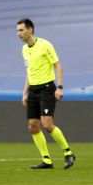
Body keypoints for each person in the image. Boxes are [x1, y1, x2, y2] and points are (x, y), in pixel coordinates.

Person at [16, 18, 75, 169]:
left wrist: (60, 87)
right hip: (33, 91)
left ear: (30, 30)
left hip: (47, 89)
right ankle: (46, 160)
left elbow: (58, 67)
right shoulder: (24, 50)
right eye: (17, 31)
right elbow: (29, 73)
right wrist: (25, 93)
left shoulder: (45, 45)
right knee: (33, 126)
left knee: (47, 124)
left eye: (21, 30)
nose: (18, 33)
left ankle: (68, 153)